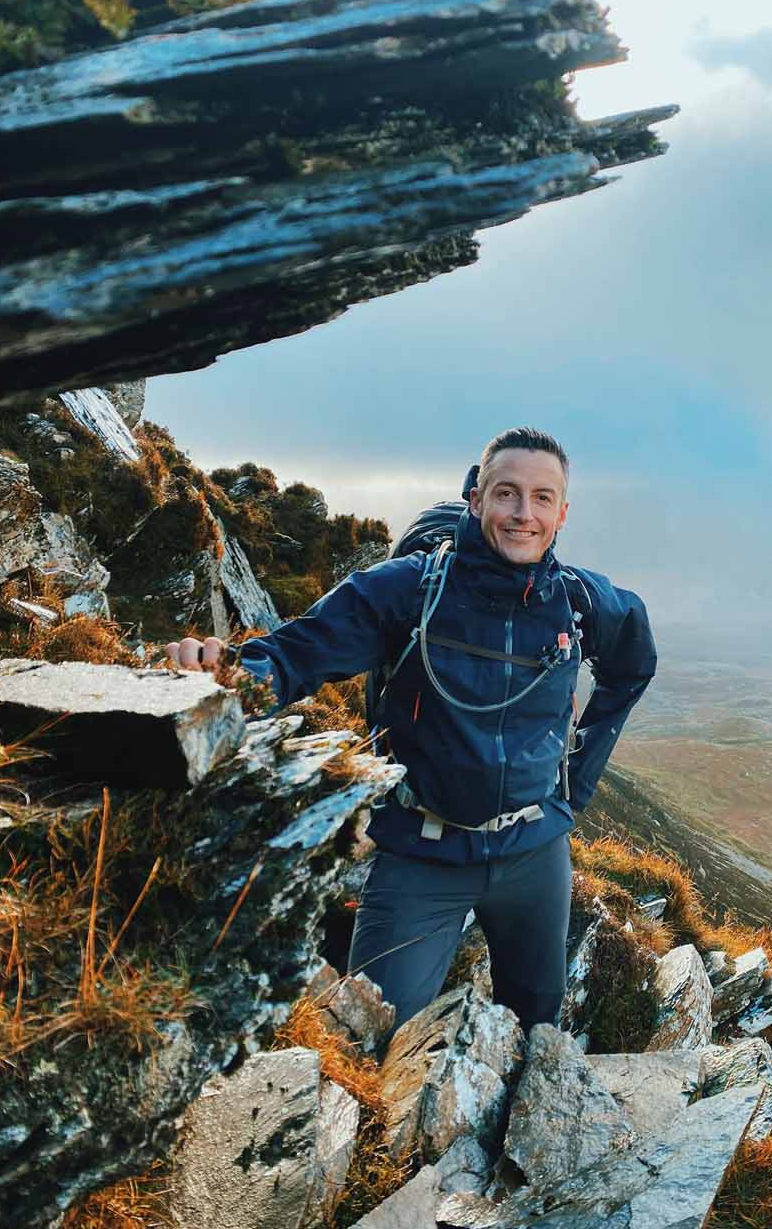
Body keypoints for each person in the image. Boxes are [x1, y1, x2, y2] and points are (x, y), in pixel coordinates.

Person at [167, 428, 656, 1033]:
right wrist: (228, 672)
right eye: (506, 494)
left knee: (536, 1030)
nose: (523, 514)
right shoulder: (407, 590)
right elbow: (300, 654)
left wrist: (574, 787)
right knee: (372, 1036)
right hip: (422, 854)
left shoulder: (581, 602)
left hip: (535, 856)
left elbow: (635, 664)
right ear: (475, 499)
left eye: (541, 498)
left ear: (562, 512)